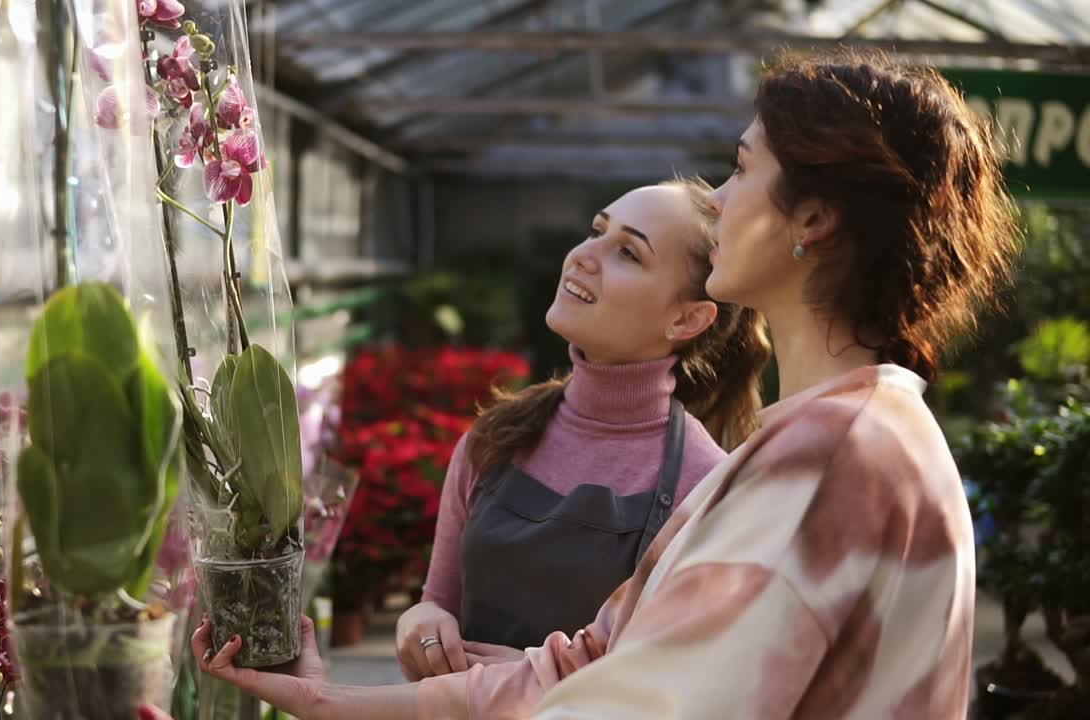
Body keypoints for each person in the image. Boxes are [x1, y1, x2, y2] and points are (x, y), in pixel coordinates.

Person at [191, 51, 1019, 719]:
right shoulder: (826, 441)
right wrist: (328, 698)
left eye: (739, 169)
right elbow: (593, 663)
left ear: (811, 220)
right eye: (600, 234)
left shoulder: (833, 459)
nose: (720, 200)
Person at [394, 178, 771, 681]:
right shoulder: (495, 436)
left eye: (628, 253)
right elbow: (436, 602)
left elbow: (689, 688)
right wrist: (421, 625)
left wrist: (538, 683)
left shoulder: (705, 487)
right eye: (597, 230)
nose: (583, 256)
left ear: (687, 319)